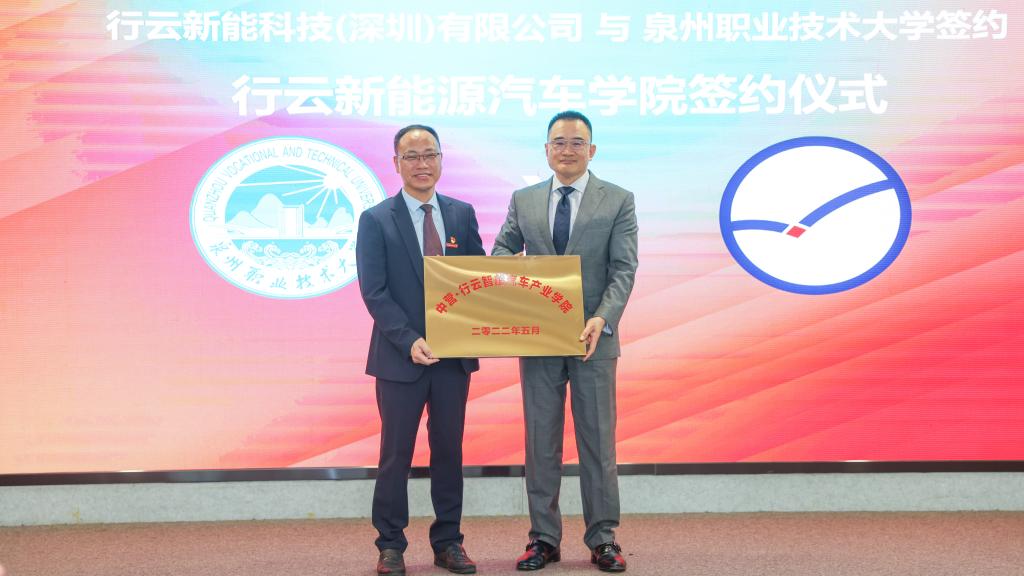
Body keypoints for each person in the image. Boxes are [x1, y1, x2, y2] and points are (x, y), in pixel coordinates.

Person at [492, 110, 638, 573]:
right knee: (541, 444)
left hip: (594, 339)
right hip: (539, 338)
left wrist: (602, 318)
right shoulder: (525, 199)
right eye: (559, 142)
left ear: (591, 150)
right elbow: (502, 251)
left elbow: (623, 268)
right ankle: (543, 539)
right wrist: (517, 280)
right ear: (546, 150)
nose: (567, 150)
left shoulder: (618, 200)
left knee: (598, 443)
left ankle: (603, 539)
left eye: (577, 143)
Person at [357, 124, 485, 575]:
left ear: (441, 160)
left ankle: (448, 542)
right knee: (396, 455)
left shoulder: (462, 214)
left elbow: (477, 278)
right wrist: (408, 340)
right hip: (399, 358)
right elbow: (374, 291)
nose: (422, 164)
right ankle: (390, 545)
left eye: (430, 154)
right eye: (411, 156)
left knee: (449, 452)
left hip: (452, 358)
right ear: (396, 163)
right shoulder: (376, 219)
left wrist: (514, 277)